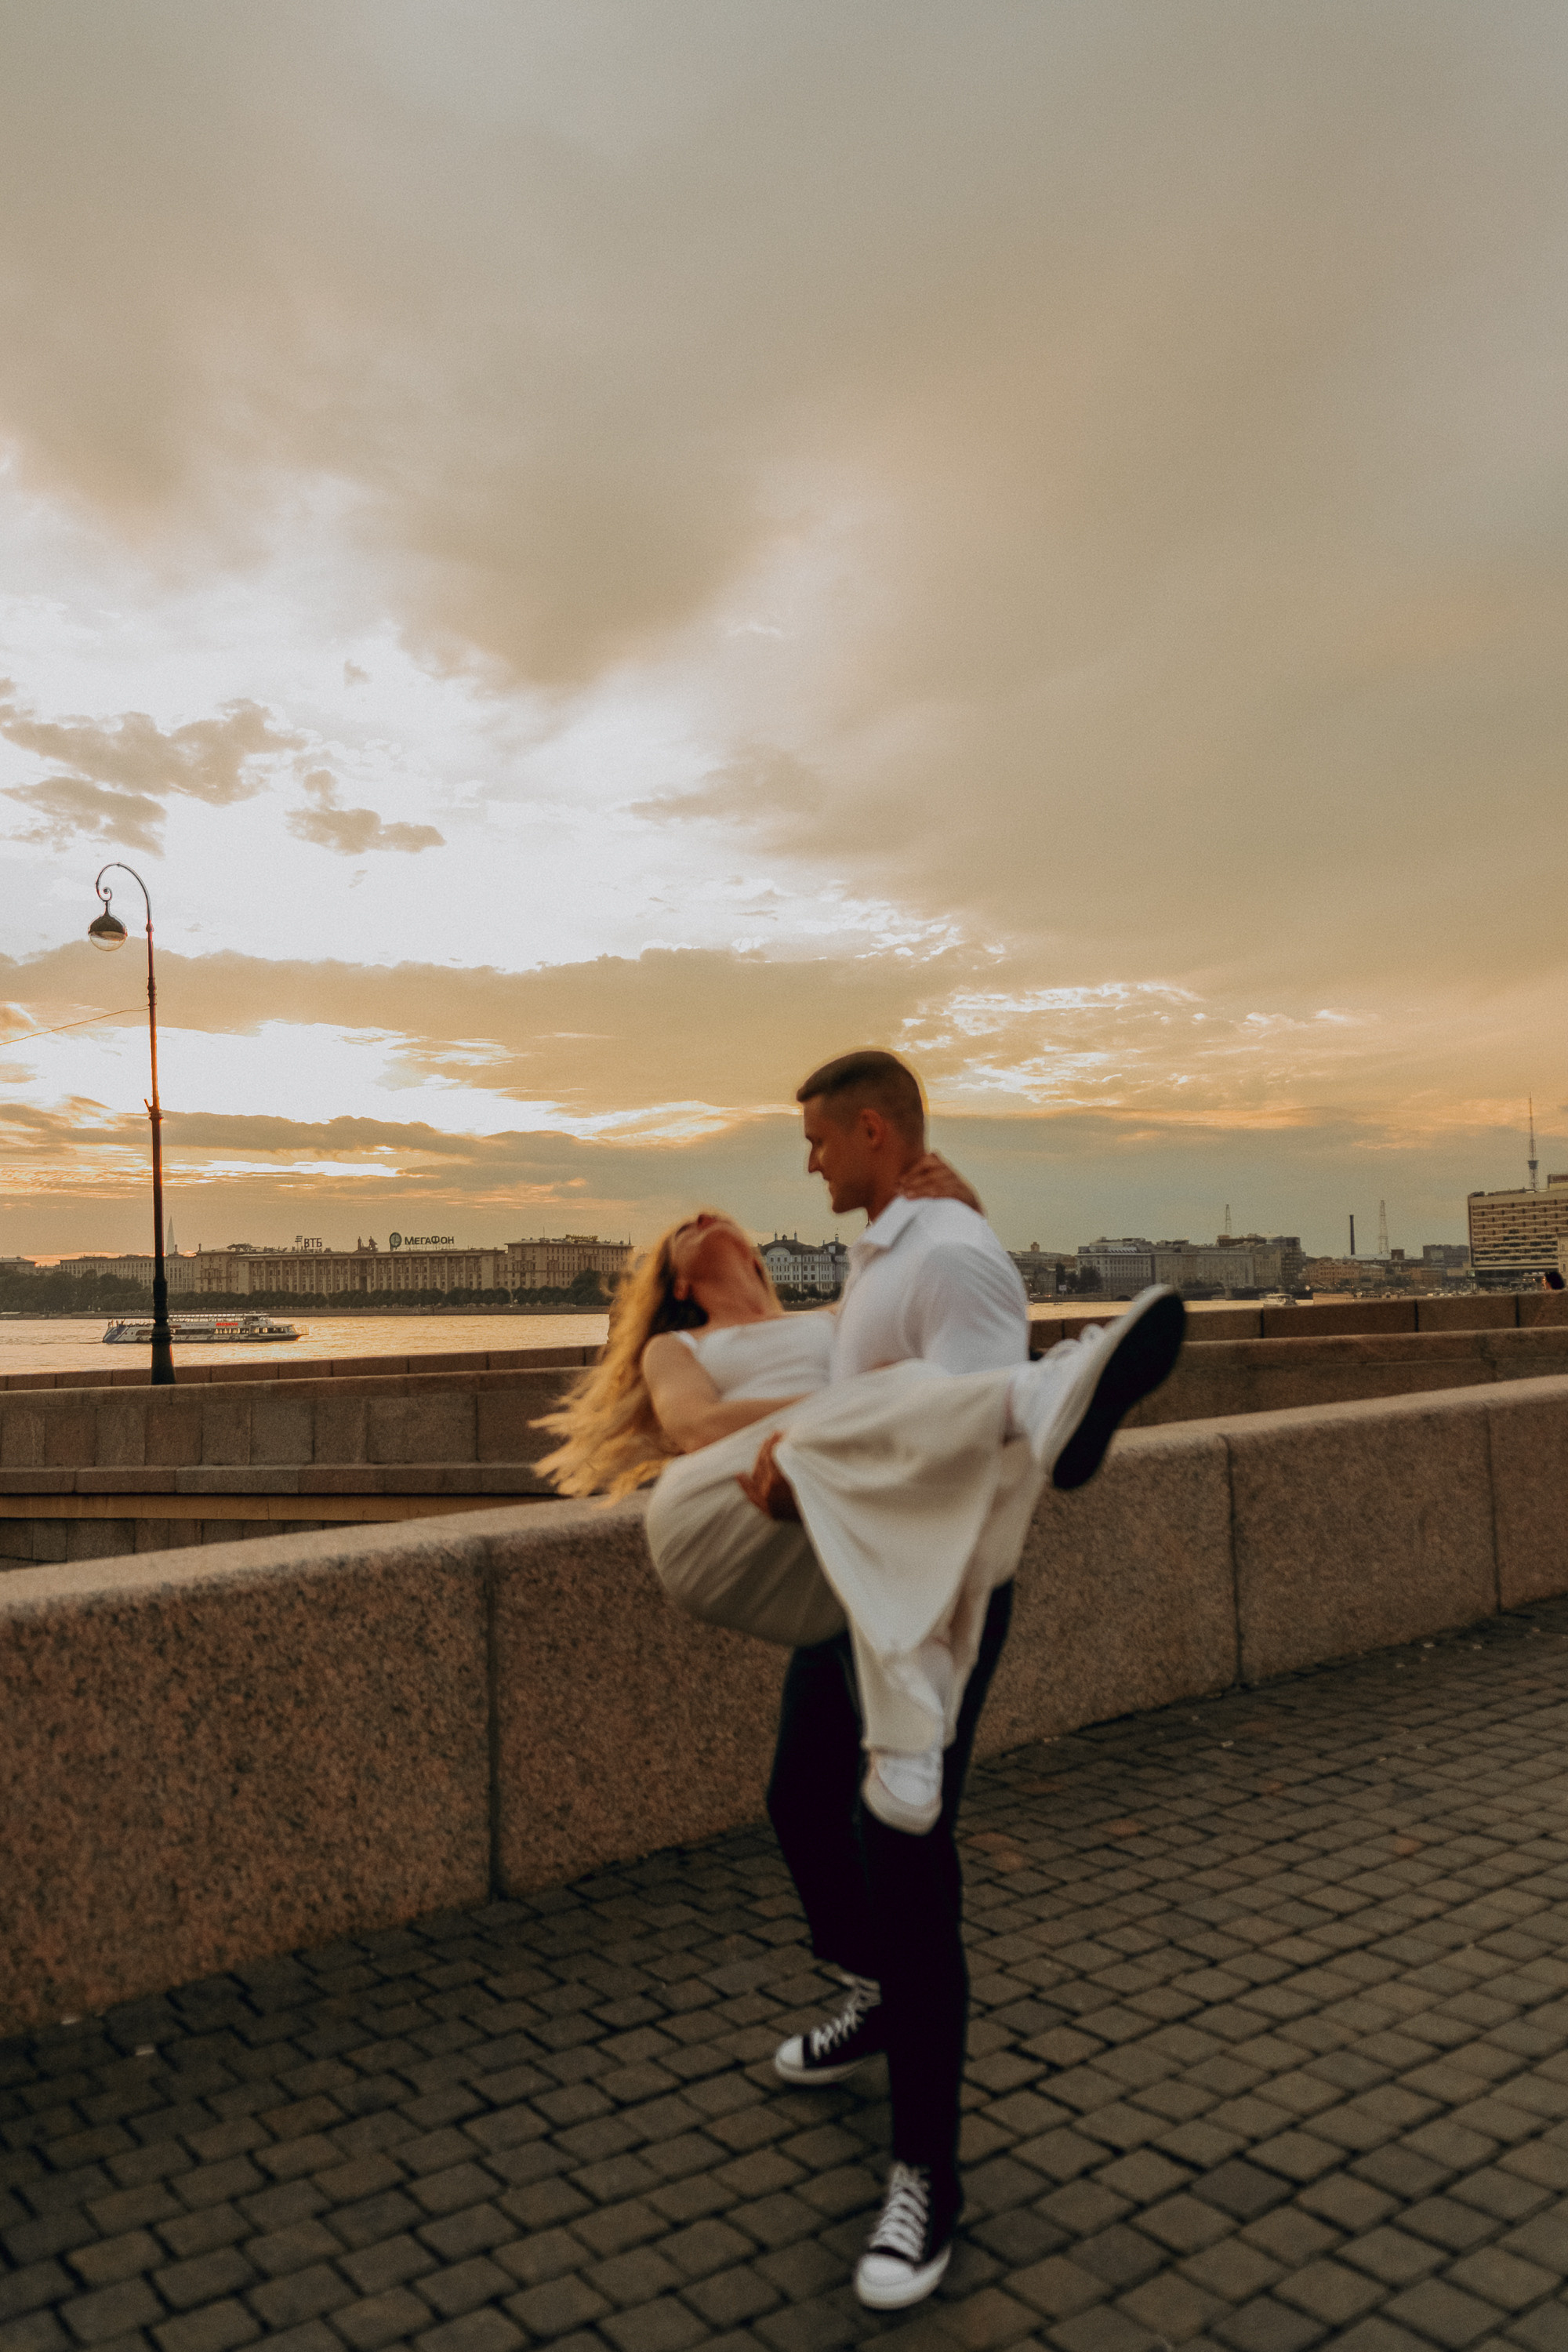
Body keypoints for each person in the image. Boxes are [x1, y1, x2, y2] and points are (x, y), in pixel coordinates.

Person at [537, 1051, 1185, 2310]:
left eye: (819, 1144)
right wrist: (827, 1430)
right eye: (688, 1227)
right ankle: (1047, 1395)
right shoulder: (690, 1343)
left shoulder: (868, 1286)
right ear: (675, 1279)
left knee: (894, 1851)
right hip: (764, 1530)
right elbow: (701, 1434)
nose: (797, 1169)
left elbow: (922, 1370)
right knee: (806, 1803)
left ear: (872, 1133)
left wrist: (958, 1235)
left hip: (892, 1568)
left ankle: (926, 2173)